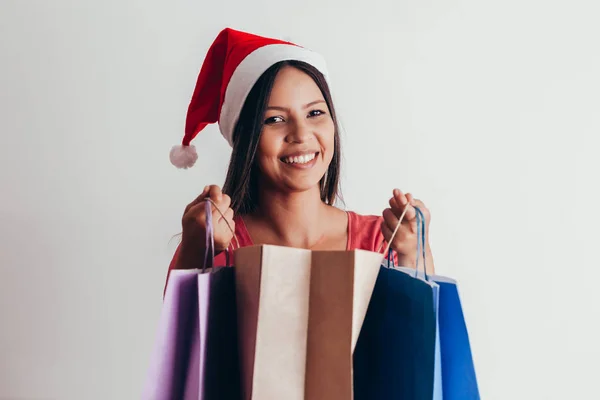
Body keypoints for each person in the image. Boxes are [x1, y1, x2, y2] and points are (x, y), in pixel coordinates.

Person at [166, 27, 435, 283]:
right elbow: (181, 330)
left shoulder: (383, 241)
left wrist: (414, 253)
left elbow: (426, 330)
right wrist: (194, 252)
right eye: (274, 119)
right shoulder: (215, 243)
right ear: (245, 139)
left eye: (315, 113)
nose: (301, 134)